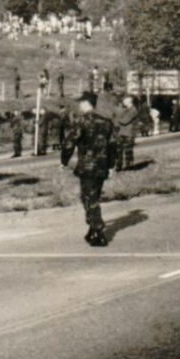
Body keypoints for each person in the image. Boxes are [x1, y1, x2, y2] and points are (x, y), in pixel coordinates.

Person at [61, 92, 114, 247]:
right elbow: (113, 145)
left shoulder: (81, 121)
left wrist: (64, 161)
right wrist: (111, 165)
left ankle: (98, 231)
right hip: (102, 165)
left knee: (88, 198)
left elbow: (69, 143)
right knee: (94, 197)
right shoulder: (106, 122)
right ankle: (92, 230)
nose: (79, 105)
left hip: (87, 166)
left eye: (81, 103)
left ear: (86, 103)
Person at [114, 96, 138, 172]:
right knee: (118, 150)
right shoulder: (125, 109)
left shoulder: (133, 110)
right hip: (121, 132)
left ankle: (129, 166)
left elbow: (124, 120)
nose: (123, 101)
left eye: (125, 100)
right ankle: (119, 166)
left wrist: (116, 119)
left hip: (128, 133)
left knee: (128, 150)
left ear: (129, 101)